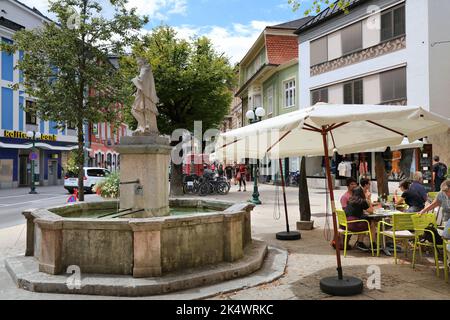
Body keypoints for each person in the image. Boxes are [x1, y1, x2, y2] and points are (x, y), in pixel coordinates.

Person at [345, 187, 377, 252]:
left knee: (365, 221)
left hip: (347, 224)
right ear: (361, 193)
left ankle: (360, 243)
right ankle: (373, 244)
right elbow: (371, 211)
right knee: (372, 223)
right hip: (355, 225)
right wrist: (368, 199)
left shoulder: (350, 200)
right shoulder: (362, 201)